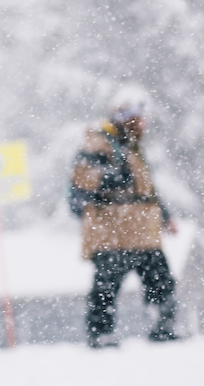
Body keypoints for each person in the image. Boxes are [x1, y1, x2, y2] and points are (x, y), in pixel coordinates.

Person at [70, 87, 180, 348]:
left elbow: (146, 190)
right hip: (112, 230)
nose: (144, 123)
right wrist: (113, 177)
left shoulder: (132, 148)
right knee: (106, 286)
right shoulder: (98, 142)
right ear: (126, 117)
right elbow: (83, 177)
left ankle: (163, 326)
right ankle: (100, 333)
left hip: (143, 230)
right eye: (139, 117)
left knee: (161, 280)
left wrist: (165, 216)